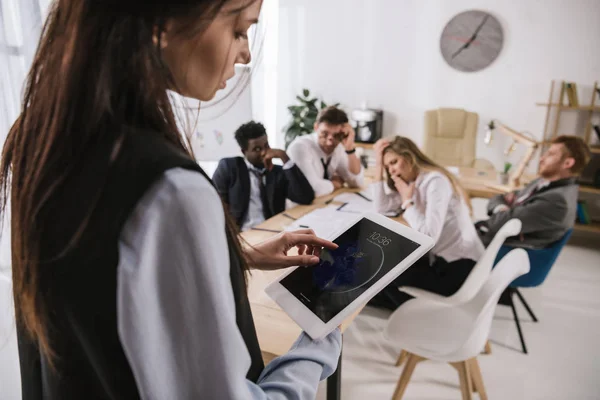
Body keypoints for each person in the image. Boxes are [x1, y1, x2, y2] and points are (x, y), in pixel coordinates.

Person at [0, 1, 343, 399]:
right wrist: (317, 343)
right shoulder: (171, 189)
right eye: (239, 30)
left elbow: (104, 276)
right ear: (162, 21)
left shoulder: (39, 142)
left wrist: (237, 253)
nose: (246, 53)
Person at [368, 136, 484, 310]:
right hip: (441, 259)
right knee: (381, 268)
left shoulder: (435, 182)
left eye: (394, 162)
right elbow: (381, 207)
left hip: (459, 269)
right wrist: (378, 165)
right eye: (387, 167)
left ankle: (418, 314)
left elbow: (429, 236)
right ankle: (401, 305)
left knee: (384, 273)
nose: (391, 171)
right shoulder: (413, 182)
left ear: (409, 157)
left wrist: (408, 202)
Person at [477, 135, 591, 248]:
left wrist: (502, 209)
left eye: (550, 154)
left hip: (500, 251)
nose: (542, 159)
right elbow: (499, 197)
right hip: (490, 237)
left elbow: (499, 223)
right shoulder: (542, 182)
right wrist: (504, 210)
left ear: (567, 163)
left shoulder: (557, 201)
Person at [213, 121, 314, 230]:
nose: (264, 152)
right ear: (244, 151)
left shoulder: (276, 171)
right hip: (243, 233)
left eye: (266, 146)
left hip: (272, 230)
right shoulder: (230, 167)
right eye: (257, 149)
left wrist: (284, 157)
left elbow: (306, 198)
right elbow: (215, 205)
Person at [287, 106, 364, 197]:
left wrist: (350, 148)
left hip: (320, 204)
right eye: (324, 133)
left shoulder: (338, 147)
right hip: (296, 208)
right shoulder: (300, 147)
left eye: (336, 135)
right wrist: (335, 183)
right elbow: (313, 189)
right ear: (316, 127)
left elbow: (357, 182)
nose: (329, 141)